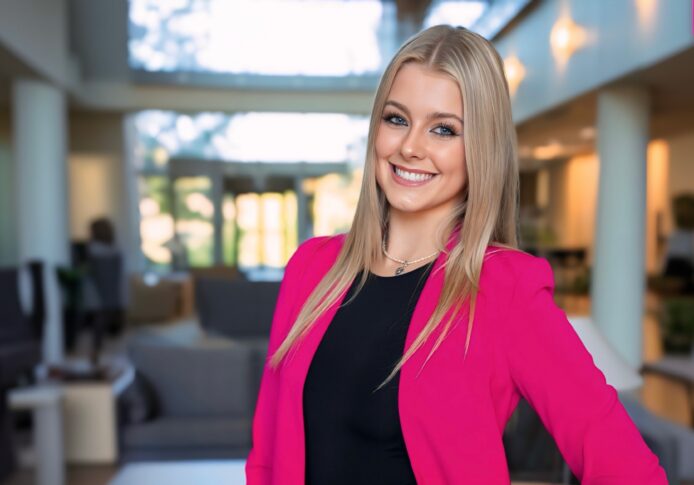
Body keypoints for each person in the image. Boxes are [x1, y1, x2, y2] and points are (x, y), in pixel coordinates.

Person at [245, 25, 668, 484]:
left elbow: (624, 465)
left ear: (481, 150)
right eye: (397, 119)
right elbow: (268, 456)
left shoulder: (505, 289)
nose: (410, 146)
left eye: (443, 129)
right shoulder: (312, 269)